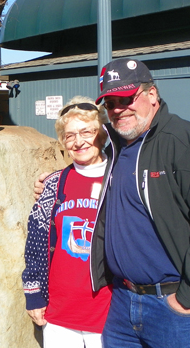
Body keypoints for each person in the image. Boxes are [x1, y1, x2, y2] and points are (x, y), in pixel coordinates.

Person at [35, 58, 190, 347]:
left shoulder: (187, 143)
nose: (119, 109)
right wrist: (55, 180)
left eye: (126, 98)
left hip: (176, 308)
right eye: (110, 103)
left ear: (151, 94)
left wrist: (188, 297)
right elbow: (88, 166)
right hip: (122, 305)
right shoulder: (118, 147)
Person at [23, 96, 112, 348]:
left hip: (108, 312)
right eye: (69, 135)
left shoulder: (119, 180)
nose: (78, 141)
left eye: (86, 132)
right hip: (60, 312)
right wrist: (34, 295)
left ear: (102, 134)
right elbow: (36, 243)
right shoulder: (53, 184)